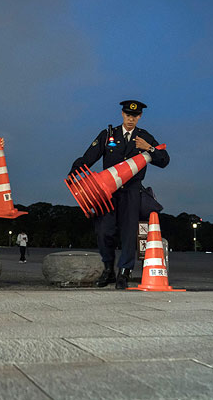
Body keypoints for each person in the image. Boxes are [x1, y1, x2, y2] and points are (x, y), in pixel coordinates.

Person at [70, 100, 170, 289]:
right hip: (108, 191)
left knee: (128, 232)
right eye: (127, 115)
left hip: (132, 191)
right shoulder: (108, 135)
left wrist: (149, 148)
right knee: (104, 231)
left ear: (140, 117)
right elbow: (88, 157)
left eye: (135, 116)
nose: (131, 119)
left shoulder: (144, 136)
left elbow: (164, 160)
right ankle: (108, 269)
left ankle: (124, 272)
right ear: (122, 115)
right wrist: (74, 173)